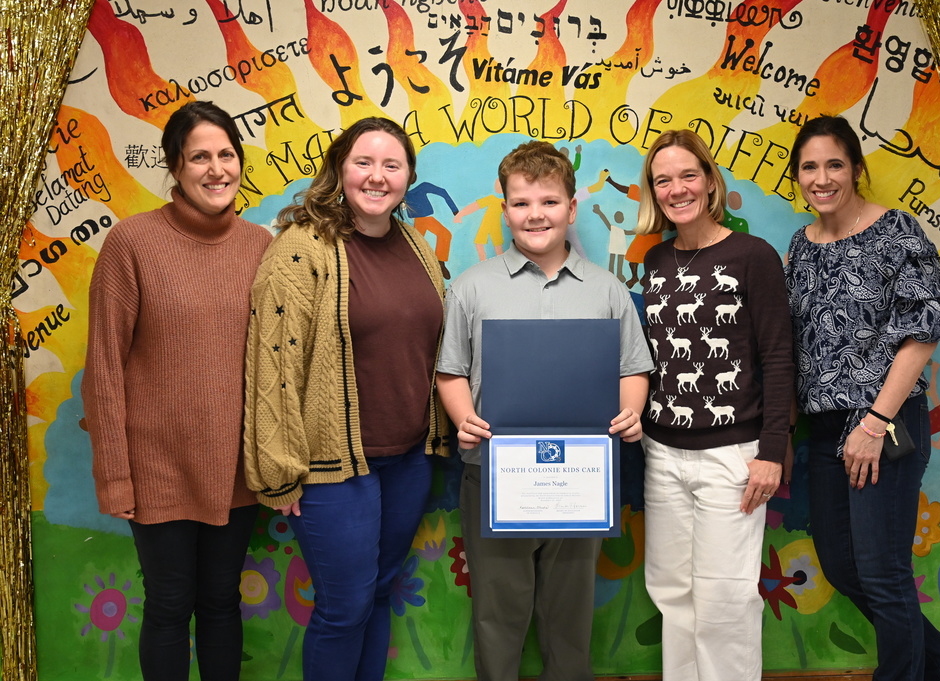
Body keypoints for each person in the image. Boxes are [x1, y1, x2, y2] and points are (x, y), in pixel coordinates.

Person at [435, 140, 653, 681]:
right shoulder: (470, 288)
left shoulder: (608, 291)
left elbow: (633, 368)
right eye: (522, 203)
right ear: (505, 208)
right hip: (492, 474)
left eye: (550, 202)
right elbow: (451, 371)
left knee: (569, 614)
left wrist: (629, 411)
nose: (536, 215)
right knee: (496, 612)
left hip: (580, 478)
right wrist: (464, 417)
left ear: (572, 209)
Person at [243, 117, 449, 681]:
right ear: (340, 169)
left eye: (392, 164)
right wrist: (278, 469)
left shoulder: (415, 246)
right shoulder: (301, 248)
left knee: (380, 593)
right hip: (333, 467)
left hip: (408, 459)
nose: (377, 177)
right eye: (364, 162)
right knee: (344, 608)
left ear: (408, 177)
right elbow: (273, 364)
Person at [786, 115, 940, 681]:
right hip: (824, 431)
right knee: (842, 566)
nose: (821, 178)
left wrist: (873, 423)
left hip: (885, 424)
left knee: (882, 572)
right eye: (809, 167)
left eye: (834, 164)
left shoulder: (896, 231)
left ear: (856, 169)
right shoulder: (800, 245)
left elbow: (923, 331)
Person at [82, 100, 271, 681]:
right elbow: (105, 368)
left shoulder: (261, 246)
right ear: (174, 166)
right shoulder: (131, 243)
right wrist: (115, 475)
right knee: (169, 605)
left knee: (220, 603)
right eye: (200, 157)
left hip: (235, 468)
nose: (217, 169)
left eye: (227, 154)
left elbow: (277, 363)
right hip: (156, 467)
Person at [636, 129, 794, 681]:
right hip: (662, 451)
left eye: (687, 175)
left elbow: (778, 357)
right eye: (663, 180)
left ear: (708, 181)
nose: (677, 188)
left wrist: (772, 450)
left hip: (733, 456)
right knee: (673, 592)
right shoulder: (655, 262)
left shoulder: (752, 256)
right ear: (652, 193)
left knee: (724, 600)